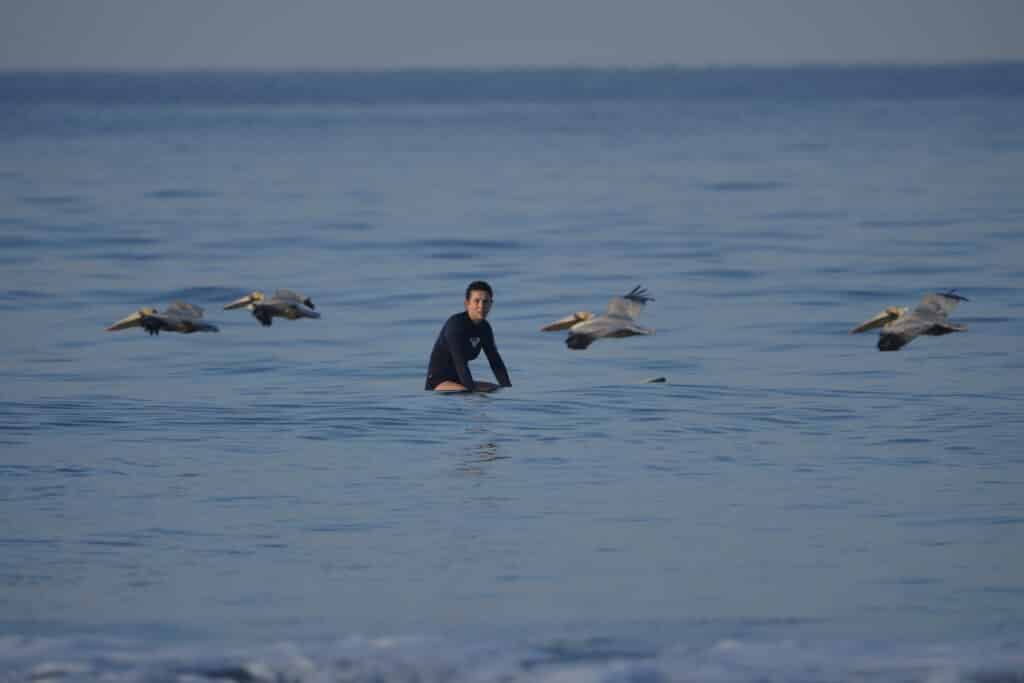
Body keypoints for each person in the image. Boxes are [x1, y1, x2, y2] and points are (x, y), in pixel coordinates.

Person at [425, 281, 512, 392]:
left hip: (459, 380)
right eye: (476, 301)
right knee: (469, 393)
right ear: (467, 304)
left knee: (497, 390)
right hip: (438, 382)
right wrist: (471, 390)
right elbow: (459, 362)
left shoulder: (485, 328)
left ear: (491, 304)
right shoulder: (456, 325)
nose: (481, 306)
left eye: (485, 302)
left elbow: (495, 361)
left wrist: (508, 390)